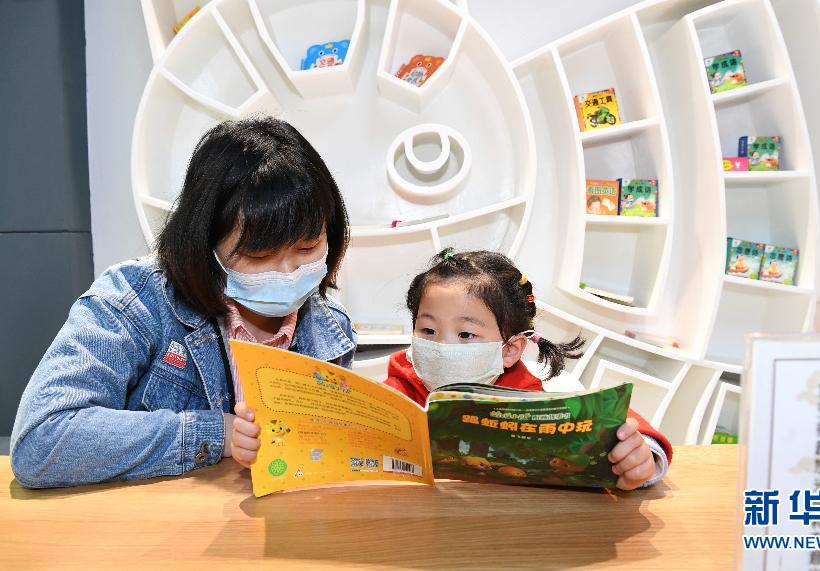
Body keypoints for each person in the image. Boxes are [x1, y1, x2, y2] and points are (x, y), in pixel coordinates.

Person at [11, 117, 355, 488]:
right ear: (206, 242)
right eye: (259, 255)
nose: (288, 272)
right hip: (153, 519)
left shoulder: (329, 328)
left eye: (307, 248)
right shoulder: (136, 300)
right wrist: (217, 434)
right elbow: (42, 440)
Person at [383, 248, 673, 490]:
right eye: (428, 330)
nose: (442, 345)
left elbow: (610, 418)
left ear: (509, 350)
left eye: (465, 334)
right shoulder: (404, 381)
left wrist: (641, 453)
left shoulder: (526, 395)